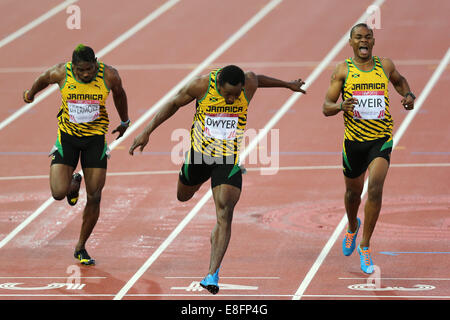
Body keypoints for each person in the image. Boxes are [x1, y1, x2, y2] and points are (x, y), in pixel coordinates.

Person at [129, 65, 306, 294]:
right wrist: (147, 131)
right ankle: (198, 186)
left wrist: (287, 85)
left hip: (227, 159)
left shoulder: (248, 82)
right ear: (218, 85)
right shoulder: (201, 85)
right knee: (183, 196)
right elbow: (173, 103)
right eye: (227, 94)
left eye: (236, 94)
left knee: (225, 211)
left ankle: (212, 274)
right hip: (198, 157)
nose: (232, 99)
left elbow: (258, 78)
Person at [23, 44, 130, 265]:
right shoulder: (61, 72)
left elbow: (119, 95)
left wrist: (124, 121)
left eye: (89, 69)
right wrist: (30, 94)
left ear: (96, 63)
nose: (85, 74)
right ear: (73, 66)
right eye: (81, 70)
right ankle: (73, 181)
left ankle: (81, 247)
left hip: (94, 140)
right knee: (58, 193)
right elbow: (43, 78)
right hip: (68, 139)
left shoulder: (109, 76)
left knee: (95, 196)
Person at [322, 23, 415, 274]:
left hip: (380, 139)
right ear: (351, 43)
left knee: (374, 187)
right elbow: (326, 106)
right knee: (353, 195)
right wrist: (341, 107)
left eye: (368, 37)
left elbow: (400, 81)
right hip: (354, 143)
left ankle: (365, 244)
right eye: (359, 38)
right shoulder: (342, 71)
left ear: (373, 41)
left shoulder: (384, 65)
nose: (364, 41)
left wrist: (408, 95)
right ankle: (352, 225)